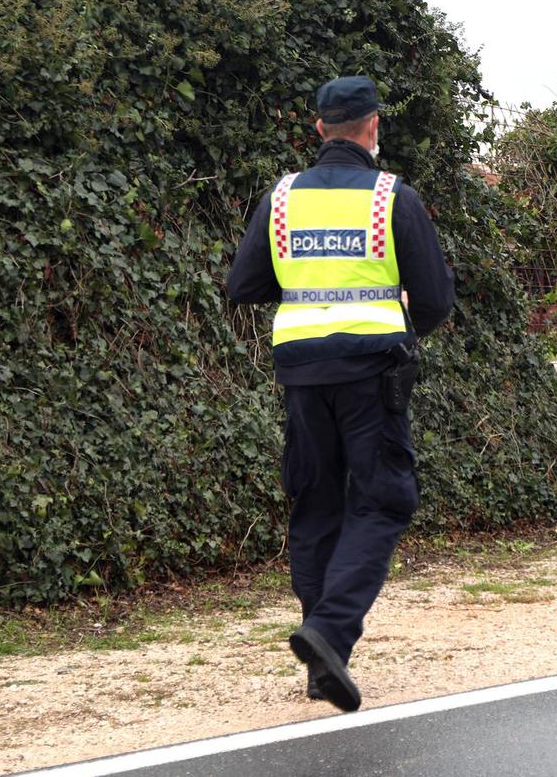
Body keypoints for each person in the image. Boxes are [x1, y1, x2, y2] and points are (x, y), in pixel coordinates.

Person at [226, 75, 454, 712]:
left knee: (316, 504)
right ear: (374, 126)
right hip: (371, 370)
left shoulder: (281, 198)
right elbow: (436, 300)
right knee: (383, 500)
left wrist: (308, 286)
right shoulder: (391, 197)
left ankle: (324, 665)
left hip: (300, 373)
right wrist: (400, 318)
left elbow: (242, 286)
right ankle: (328, 632)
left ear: (318, 128)